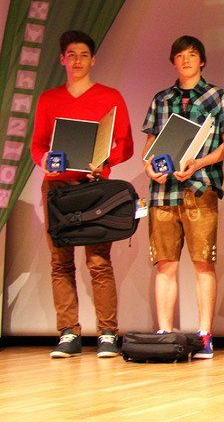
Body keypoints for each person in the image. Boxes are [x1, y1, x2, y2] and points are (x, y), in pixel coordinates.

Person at [30, 30, 134, 358]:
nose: (77, 61)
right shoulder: (49, 99)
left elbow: (126, 144)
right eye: (71, 55)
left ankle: (107, 333)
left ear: (93, 60)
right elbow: (38, 144)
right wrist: (44, 160)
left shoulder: (110, 97)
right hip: (57, 188)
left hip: (94, 187)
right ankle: (68, 333)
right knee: (60, 262)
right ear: (62, 59)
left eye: (83, 55)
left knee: (99, 262)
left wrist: (106, 160)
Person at [141, 36, 224, 359]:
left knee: (202, 262)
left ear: (202, 60)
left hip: (201, 186)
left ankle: (204, 334)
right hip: (163, 192)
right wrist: (149, 166)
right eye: (180, 55)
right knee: (165, 264)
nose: (185, 60)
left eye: (192, 54)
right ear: (173, 62)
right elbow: (150, 146)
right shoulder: (161, 99)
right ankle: (165, 332)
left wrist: (198, 163)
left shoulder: (217, 97)